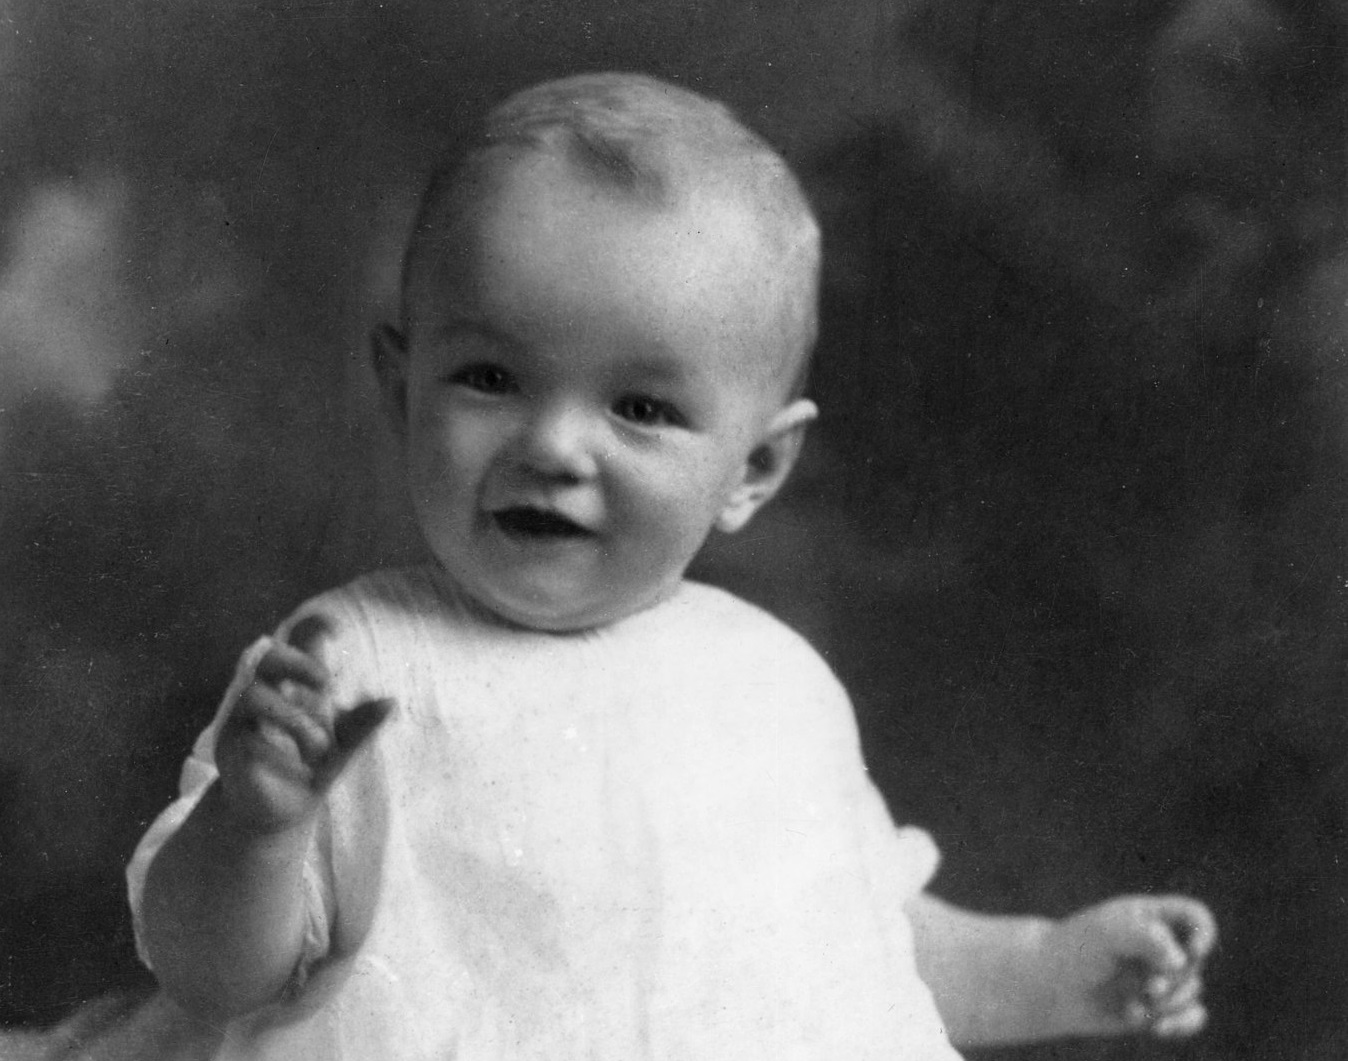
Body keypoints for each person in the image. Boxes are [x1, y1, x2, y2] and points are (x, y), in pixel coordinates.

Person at [127, 72, 1216, 1059]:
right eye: (491, 376)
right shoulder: (349, 669)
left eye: (640, 407)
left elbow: (854, 938)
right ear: (399, 384)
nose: (553, 446)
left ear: (755, 466)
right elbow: (215, 972)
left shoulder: (770, 682)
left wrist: (1043, 967)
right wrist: (255, 826)